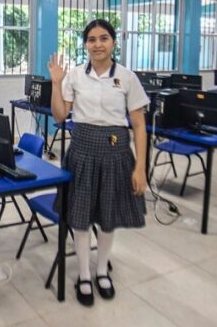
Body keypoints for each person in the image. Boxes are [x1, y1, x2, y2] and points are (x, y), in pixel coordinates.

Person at [48, 19, 149, 307]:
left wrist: (140, 167)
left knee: (108, 217)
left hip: (117, 155)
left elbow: (139, 126)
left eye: (103, 38)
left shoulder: (128, 77)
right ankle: (83, 274)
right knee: (80, 219)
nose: (98, 44)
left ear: (113, 42)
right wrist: (56, 83)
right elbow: (59, 116)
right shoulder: (76, 76)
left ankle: (102, 270)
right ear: (86, 45)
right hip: (81, 152)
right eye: (91, 39)